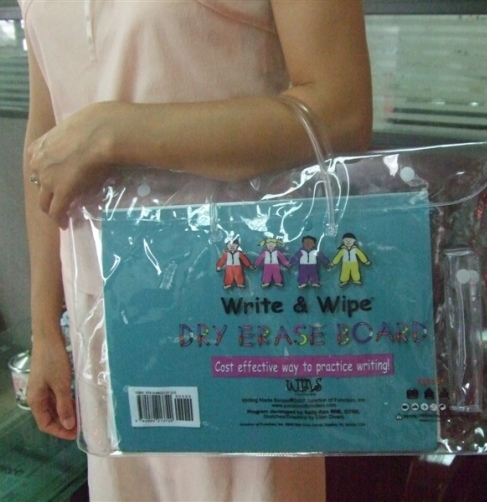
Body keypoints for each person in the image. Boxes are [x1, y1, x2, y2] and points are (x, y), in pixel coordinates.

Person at [19, 1, 372, 500]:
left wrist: (113, 132)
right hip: (103, 317)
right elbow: (45, 141)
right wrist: (44, 327)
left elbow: (341, 111)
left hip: (232, 305)